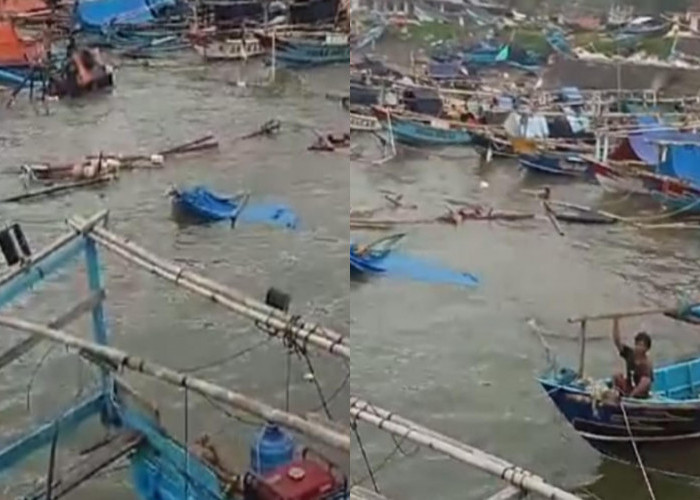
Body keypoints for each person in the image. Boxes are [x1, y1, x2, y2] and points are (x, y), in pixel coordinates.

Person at [611, 318, 653, 399]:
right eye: (637, 344)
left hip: (641, 394)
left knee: (645, 381)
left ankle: (630, 398)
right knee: (617, 376)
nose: (638, 347)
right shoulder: (631, 354)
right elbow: (617, 342)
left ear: (646, 348)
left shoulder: (646, 364)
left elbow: (646, 383)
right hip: (629, 388)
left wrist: (632, 395)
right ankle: (621, 395)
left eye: (641, 345)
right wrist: (616, 321)